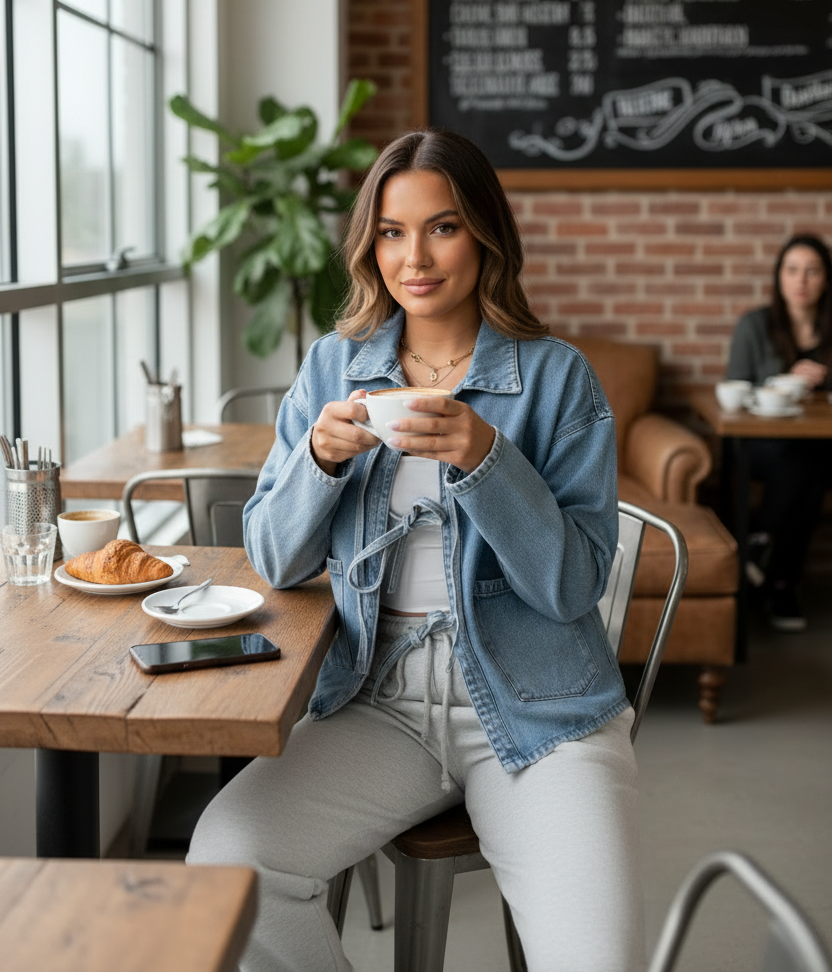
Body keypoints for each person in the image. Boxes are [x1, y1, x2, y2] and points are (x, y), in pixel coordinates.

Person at [188, 129, 644, 972]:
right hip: (378, 703)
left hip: (539, 706)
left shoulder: (557, 378)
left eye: (443, 227)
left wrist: (485, 458)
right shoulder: (333, 368)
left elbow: (573, 585)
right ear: (371, 244)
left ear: (485, 236)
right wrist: (317, 463)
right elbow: (275, 560)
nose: (415, 256)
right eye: (393, 232)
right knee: (226, 867)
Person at [727, 233, 832, 631]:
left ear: (826, 279)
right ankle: (782, 582)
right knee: (804, 464)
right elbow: (733, 393)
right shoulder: (755, 326)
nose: (801, 280)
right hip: (762, 447)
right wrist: (783, 383)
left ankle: (760, 552)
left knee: (812, 463)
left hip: (819, 449)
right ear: (779, 277)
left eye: (812, 271)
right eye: (792, 270)